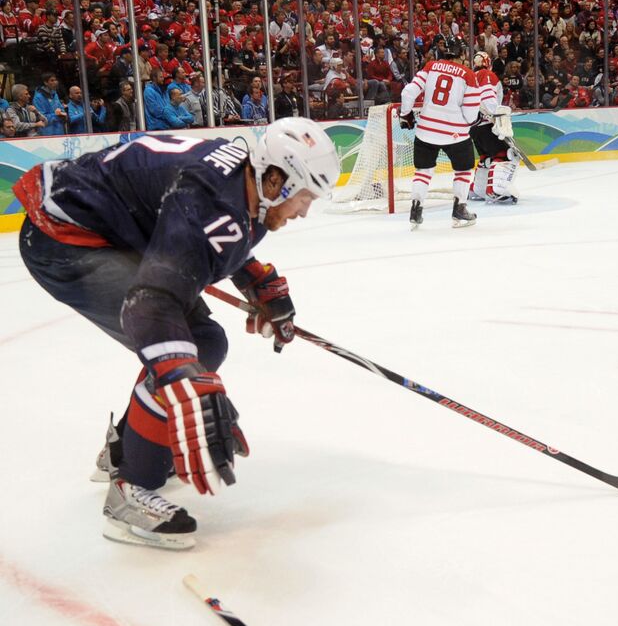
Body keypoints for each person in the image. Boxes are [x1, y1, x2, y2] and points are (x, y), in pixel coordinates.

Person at [12, 119, 340, 550]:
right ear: (277, 179)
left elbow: (212, 231)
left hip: (102, 224)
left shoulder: (247, 182)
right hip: (64, 239)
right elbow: (153, 304)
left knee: (204, 343)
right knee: (192, 348)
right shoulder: (209, 199)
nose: (303, 211)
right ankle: (129, 493)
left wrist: (259, 281)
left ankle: (122, 451)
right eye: (304, 197)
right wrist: (180, 373)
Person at [399, 55, 497, 228]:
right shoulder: (468, 75)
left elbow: (408, 92)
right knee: (464, 170)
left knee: (423, 171)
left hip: (426, 131)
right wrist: (472, 121)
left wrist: (405, 114)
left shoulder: (430, 66)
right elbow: (470, 115)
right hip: (455, 134)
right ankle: (459, 208)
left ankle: (416, 210)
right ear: (460, 57)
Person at [468, 53, 519, 205]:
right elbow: (487, 98)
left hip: (474, 127)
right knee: (505, 154)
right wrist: (496, 114)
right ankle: (497, 190)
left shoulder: (470, 77)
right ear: (487, 62)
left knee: (487, 157)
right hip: (486, 124)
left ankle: (478, 189)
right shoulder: (487, 74)